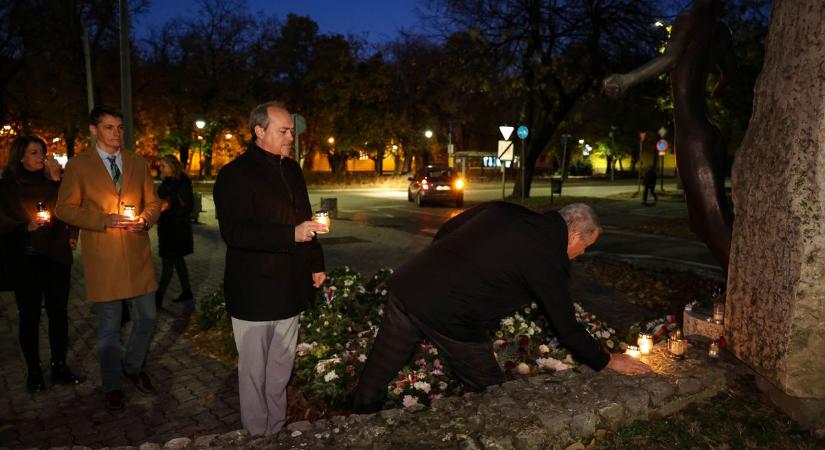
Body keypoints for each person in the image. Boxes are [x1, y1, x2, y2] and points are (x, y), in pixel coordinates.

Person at [352, 202, 651, 413]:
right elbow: (566, 327)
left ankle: (361, 414)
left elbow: (449, 229)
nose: (580, 254)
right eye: (584, 248)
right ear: (574, 235)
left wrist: (441, 269)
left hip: (410, 284)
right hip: (452, 315)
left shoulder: (504, 210)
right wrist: (606, 360)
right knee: (492, 391)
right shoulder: (548, 257)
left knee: (381, 365)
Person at [214, 101, 327, 435]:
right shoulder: (234, 174)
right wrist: (289, 234)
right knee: (253, 373)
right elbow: (235, 232)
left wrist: (315, 263)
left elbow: (304, 218)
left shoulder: (292, 170)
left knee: (280, 369)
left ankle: (275, 431)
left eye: (292, 130)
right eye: (283, 131)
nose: (291, 136)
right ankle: (255, 434)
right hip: (254, 290)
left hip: (290, 285)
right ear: (259, 131)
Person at [603, 0, 735, 269]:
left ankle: (747, 285)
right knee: (701, 221)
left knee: (713, 223)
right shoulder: (721, 31)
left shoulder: (687, 20)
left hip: (692, 132)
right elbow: (729, 74)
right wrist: (715, 86)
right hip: (710, 130)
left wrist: (627, 79)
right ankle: (739, 283)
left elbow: (672, 58)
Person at [56, 105, 162, 411]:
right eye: (109, 127)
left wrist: (145, 219)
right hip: (104, 259)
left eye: (119, 127)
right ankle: (112, 385)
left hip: (137, 254)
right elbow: (64, 208)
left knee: (148, 317)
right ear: (93, 129)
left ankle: (132, 365)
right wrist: (102, 219)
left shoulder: (137, 162)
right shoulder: (79, 165)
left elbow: (153, 202)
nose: (116, 134)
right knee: (108, 329)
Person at [0, 135, 84, 393]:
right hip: (26, 257)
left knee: (58, 313)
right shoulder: (8, 185)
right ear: (21, 156)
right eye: (35, 152)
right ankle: (34, 371)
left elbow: (70, 208)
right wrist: (25, 226)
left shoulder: (54, 182)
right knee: (30, 316)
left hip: (56, 255)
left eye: (42, 152)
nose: (41, 157)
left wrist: (72, 233)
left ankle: (59, 365)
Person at [155, 155, 194, 307]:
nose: (161, 168)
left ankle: (158, 298)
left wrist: (166, 212)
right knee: (178, 262)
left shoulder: (180, 183)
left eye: (163, 166)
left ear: (172, 167)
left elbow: (188, 206)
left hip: (176, 231)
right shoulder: (167, 182)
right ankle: (187, 292)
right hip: (168, 229)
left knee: (168, 264)